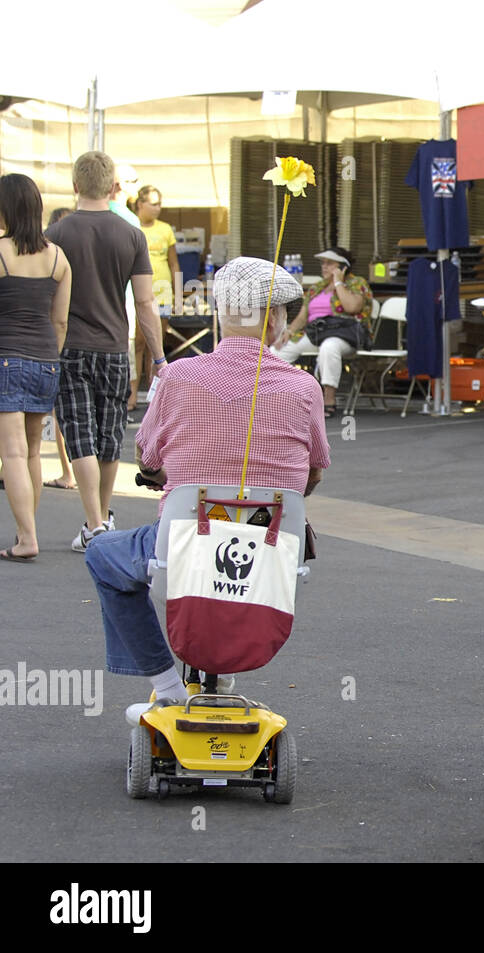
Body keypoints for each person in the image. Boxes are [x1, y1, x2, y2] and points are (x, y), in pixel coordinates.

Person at [85, 257, 329, 719]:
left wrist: (169, 474)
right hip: (270, 559)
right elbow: (314, 472)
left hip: (181, 548)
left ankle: (167, 685)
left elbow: (150, 460)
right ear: (275, 320)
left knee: (103, 554)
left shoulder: (176, 378)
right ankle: (217, 676)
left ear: (220, 313)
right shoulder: (304, 389)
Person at [46, 151, 166, 552]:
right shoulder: (132, 234)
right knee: (110, 432)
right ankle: (102, 515)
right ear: (113, 186)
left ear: (75, 186)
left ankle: (94, 523)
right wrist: (159, 357)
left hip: (70, 346)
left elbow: (47, 296)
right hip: (115, 346)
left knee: (80, 433)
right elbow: (146, 303)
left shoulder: (58, 236)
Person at [0, 173, 72, 561]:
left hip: (6, 357)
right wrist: (50, 356)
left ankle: (27, 538)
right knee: (31, 452)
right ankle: (25, 529)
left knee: (10, 454)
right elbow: (60, 321)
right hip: (46, 359)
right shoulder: (58, 257)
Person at [273, 246, 373, 419]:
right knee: (278, 350)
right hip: (316, 332)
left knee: (329, 347)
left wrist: (339, 282)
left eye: (330, 263)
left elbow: (352, 307)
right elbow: (303, 317)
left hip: (344, 333)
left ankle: (329, 398)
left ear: (343, 267)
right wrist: (289, 331)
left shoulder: (357, 283)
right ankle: (277, 395)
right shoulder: (316, 288)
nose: (324, 267)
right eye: (323, 263)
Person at [130, 185, 178, 408]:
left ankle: (154, 397)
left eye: (160, 204)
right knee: (138, 344)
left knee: (156, 346)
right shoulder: (131, 225)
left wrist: (178, 293)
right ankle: (132, 395)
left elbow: (173, 261)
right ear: (140, 204)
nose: (158, 208)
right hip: (140, 291)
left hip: (163, 291)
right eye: (153, 203)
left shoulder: (166, 229)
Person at [42, 208, 76, 492]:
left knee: (61, 412)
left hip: (57, 342)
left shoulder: (50, 257)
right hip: (95, 339)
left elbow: (57, 317)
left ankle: (68, 472)